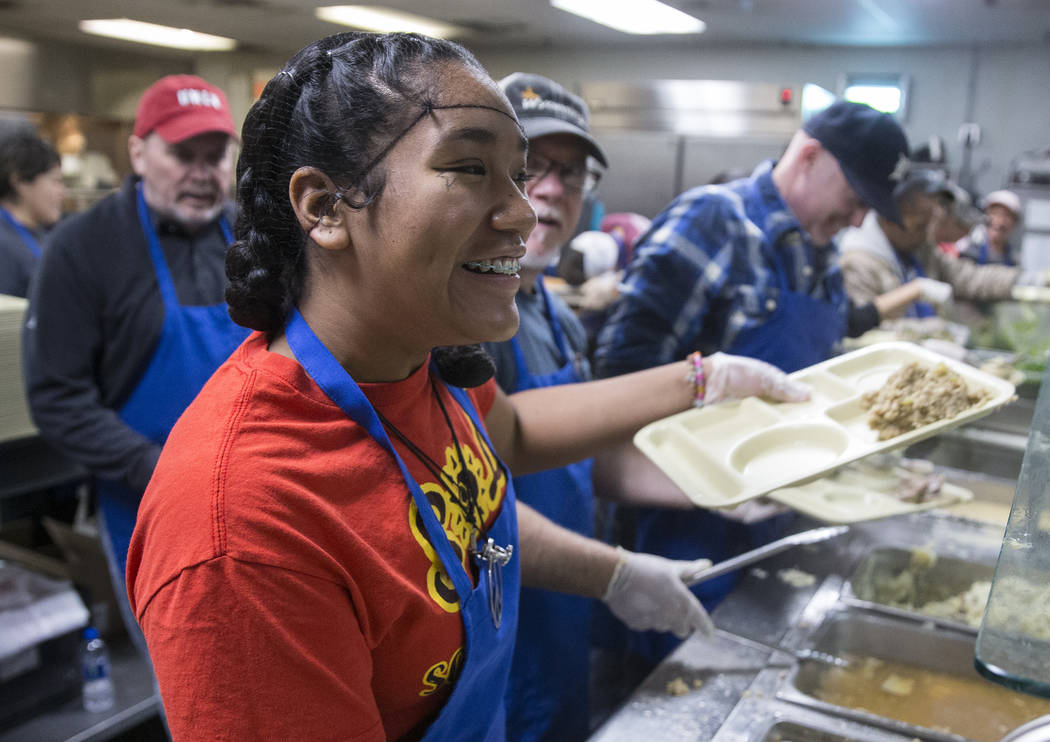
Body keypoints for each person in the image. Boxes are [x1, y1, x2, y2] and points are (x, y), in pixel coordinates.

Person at [125, 33, 808, 741]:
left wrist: (700, 382)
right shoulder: (244, 528)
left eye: (517, 176)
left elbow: (504, 448)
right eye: (471, 167)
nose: (520, 212)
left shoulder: (416, 362)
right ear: (326, 207)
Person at [591, 100, 911, 665]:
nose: (860, 219)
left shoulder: (822, 255)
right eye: (856, 197)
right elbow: (617, 381)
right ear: (809, 156)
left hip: (773, 522)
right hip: (682, 533)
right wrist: (712, 476)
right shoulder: (714, 221)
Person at [22, 74, 247, 640]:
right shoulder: (83, 248)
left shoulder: (253, 237)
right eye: (182, 154)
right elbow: (58, 397)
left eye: (215, 155)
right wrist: (155, 469)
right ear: (138, 152)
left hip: (263, 493)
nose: (202, 171)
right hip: (153, 505)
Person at [841, 174, 1042, 310]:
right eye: (919, 226)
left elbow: (968, 276)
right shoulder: (858, 262)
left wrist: (1026, 280)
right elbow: (863, 329)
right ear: (888, 219)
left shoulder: (920, 251)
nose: (926, 236)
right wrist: (929, 333)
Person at [0, 130, 66, 297]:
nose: (63, 193)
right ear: (19, 181)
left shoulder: (46, 233)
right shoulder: (4, 244)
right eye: (56, 181)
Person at [956, 189, 1023, 266]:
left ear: (1015, 222)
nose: (1000, 221)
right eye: (995, 213)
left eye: (1006, 216)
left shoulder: (1014, 259)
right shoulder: (964, 247)